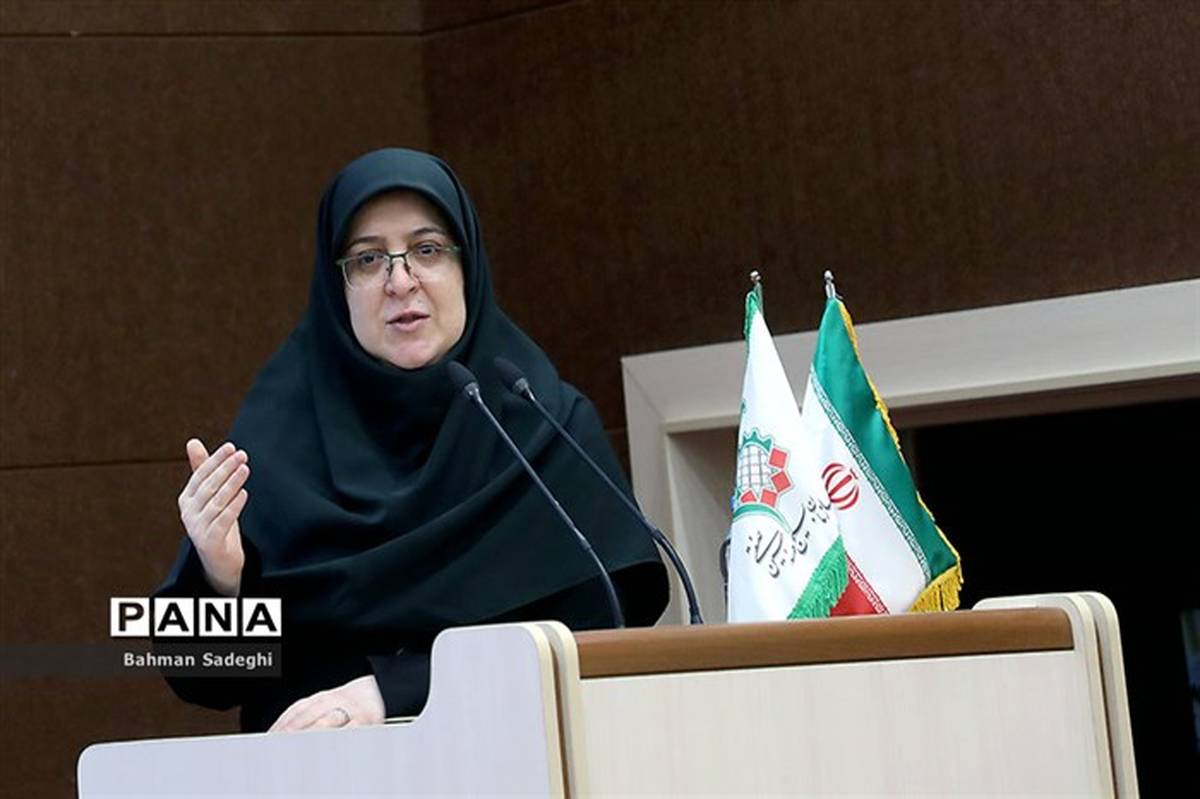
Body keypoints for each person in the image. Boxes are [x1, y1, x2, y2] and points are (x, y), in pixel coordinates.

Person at [156, 148, 669, 732]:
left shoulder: (545, 423)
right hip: (318, 774)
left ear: (467, 265)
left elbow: (605, 625)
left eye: (426, 250)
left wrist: (397, 690)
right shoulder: (271, 440)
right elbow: (191, 676)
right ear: (337, 285)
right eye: (368, 258)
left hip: (516, 757)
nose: (400, 282)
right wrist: (220, 579)